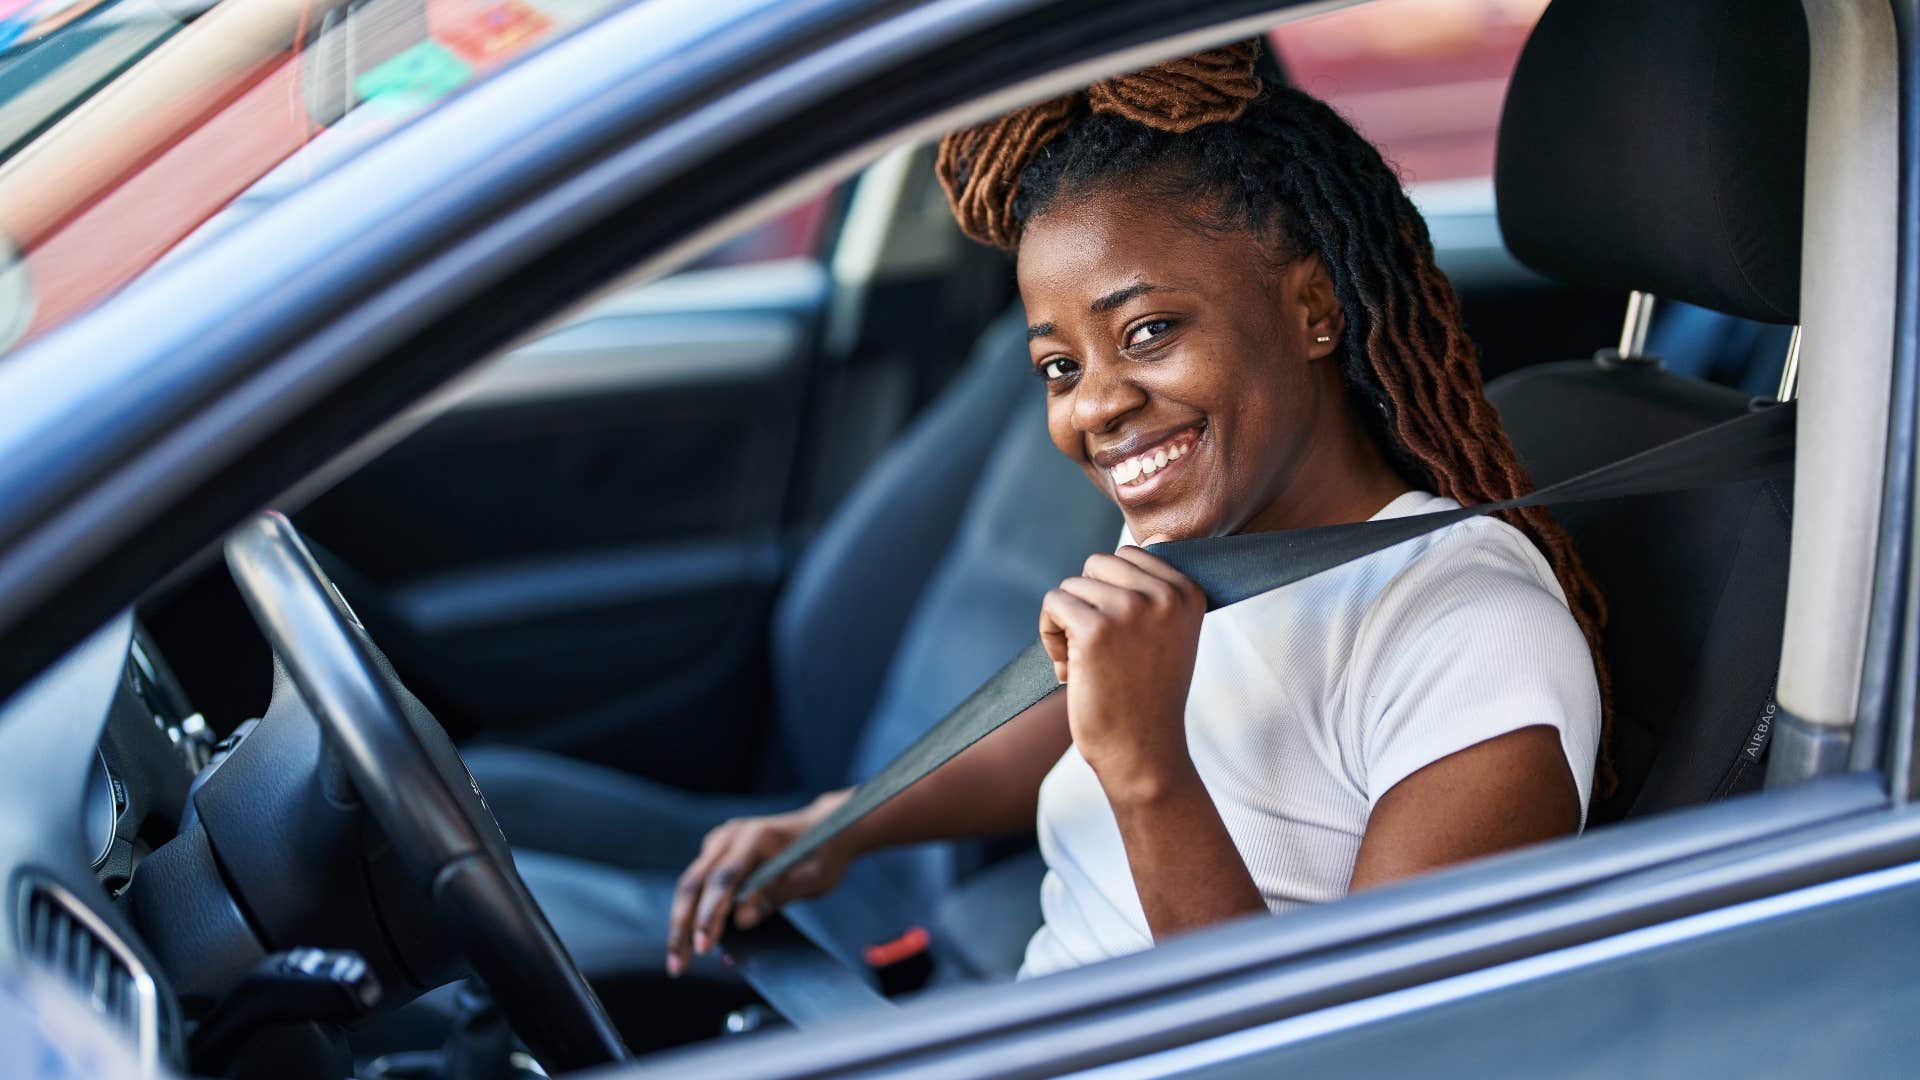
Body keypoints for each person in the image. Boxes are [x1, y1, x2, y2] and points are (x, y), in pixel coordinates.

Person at [665, 42, 1605, 980]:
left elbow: (1356, 1051)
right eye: (1059, 367)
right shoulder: (1196, 539)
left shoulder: (1472, 633)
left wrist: (1147, 769)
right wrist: (837, 825)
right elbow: (1071, 721)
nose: (1097, 406)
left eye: (1148, 331)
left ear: (1313, 307)